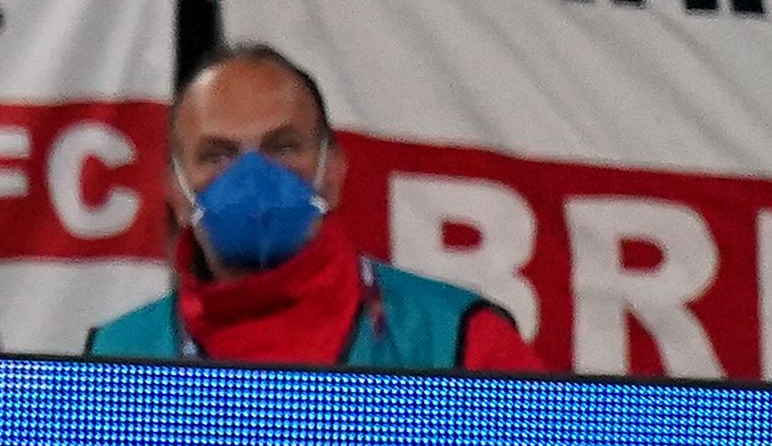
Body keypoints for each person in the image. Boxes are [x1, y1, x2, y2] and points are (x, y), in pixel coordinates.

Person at [85, 43, 535, 370]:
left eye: (283, 148)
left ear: (333, 173)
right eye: (217, 155)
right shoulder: (116, 357)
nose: (252, 178)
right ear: (175, 191)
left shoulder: (460, 344)